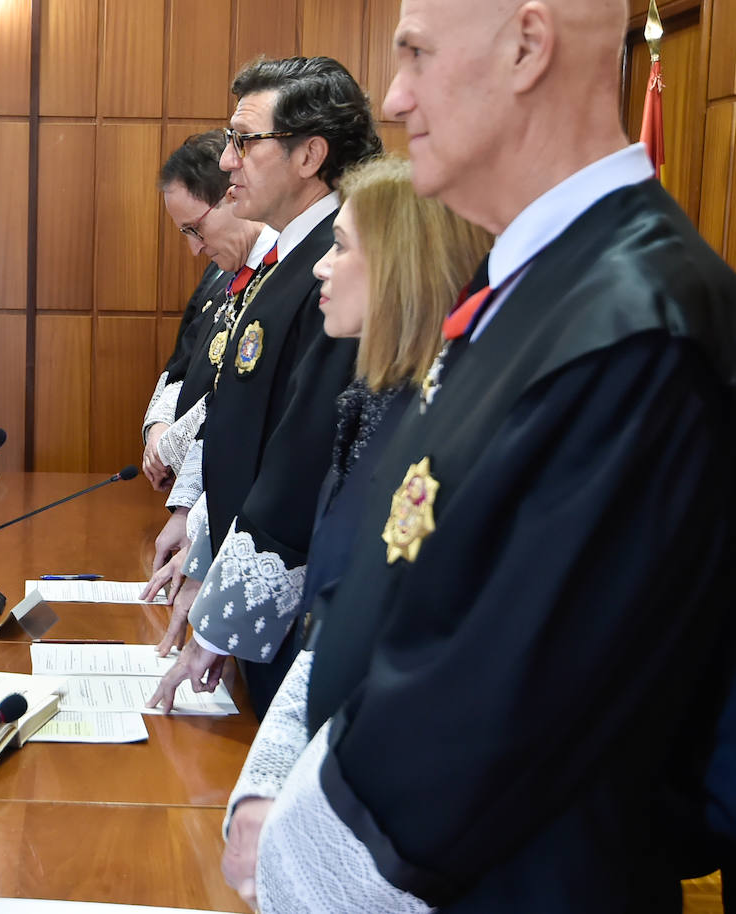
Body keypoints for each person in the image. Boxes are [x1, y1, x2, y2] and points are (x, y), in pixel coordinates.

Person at [222, 0, 736, 910]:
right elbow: (390, 564)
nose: (394, 96)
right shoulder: (535, 284)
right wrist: (276, 778)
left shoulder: (631, 322)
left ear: (527, 48)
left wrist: (295, 859)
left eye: (416, 54)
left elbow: (497, 706)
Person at [184, 155, 488, 904]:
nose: (322, 268)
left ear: (402, 268)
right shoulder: (374, 399)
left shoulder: (434, 421)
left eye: (343, 247)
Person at [145, 56, 380, 717]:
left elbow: (301, 453)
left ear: (309, 154)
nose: (226, 162)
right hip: (246, 582)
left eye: (245, 141)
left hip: (289, 604)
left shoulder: (334, 271)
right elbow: (239, 425)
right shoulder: (285, 261)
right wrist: (202, 557)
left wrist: (224, 614)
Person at [141, 130, 274, 491]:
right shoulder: (219, 274)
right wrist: (158, 431)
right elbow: (183, 362)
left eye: (195, 229)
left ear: (235, 196)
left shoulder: (282, 274)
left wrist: (172, 448)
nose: (194, 249)